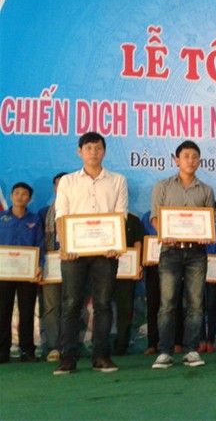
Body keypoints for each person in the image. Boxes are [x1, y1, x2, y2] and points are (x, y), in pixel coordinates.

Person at [53, 132, 128, 374]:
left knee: (103, 305)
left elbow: (121, 215)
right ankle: (68, 358)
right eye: (88, 148)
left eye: (98, 148)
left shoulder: (118, 180)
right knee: (71, 304)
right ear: (80, 152)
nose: (93, 153)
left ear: (104, 151)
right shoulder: (67, 181)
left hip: (106, 253)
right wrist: (65, 246)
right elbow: (61, 216)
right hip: (74, 254)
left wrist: (116, 244)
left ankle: (101, 357)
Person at [151, 140, 215, 369]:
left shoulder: (206, 190)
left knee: (196, 304)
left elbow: (209, 222)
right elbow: (155, 217)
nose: (191, 160)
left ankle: (191, 350)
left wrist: (206, 234)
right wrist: (164, 232)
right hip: (170, 252)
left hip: (197, 253)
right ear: (176, 160)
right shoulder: (163, 186)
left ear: (199, 161)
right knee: (167, 303)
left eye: (195, 156)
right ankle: (165, 351)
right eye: (186, 156)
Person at [0, 182, 45, 363]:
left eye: (24, 194)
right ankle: (2, 351)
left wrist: (40, 265)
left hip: (27, 272)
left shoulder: (35, 219)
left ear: (30, 198)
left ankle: (27, 350)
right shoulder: (1, 218)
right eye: (17, 193)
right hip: (4, 273)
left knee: (27, 311)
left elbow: (40, 243)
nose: (20, 197)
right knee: (3, 311)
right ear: (11, 197)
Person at [141, 211, 185, 355]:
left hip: (174, 263)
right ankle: (152, 343)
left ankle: (177, 342)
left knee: (175, 303)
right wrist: (143, 257)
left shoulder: (174, 215)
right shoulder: (146, 217)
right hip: (153, 266)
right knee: (153, 304)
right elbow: (141, 241)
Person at [38, 172, 67, 362]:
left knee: (73, 306)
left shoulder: (80, 211)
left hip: (75, 264)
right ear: (54, 189)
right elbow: (38, 242)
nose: (61, 188)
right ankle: (54, 347)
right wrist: (38, 265)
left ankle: (70, 346)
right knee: (51, 307)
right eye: (58, 185)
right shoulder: (42, 214)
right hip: (50, 266)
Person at [113, 212, 145, 355]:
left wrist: (137, 264)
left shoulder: (133, 220)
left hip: (127, 270)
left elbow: (138, 243)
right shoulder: (102, 217)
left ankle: (122, 345)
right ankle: (99, 345)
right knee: (101, 307)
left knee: (125, 309)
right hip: (103, 268)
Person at [199, 223, 216, 353]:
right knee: (198, 305)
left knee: (211, 305)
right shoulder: (198, 229)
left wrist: (215, 261)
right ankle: (201, 340)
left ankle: (211, 341)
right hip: (197, 269)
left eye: (214, 213)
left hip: (215, 270)